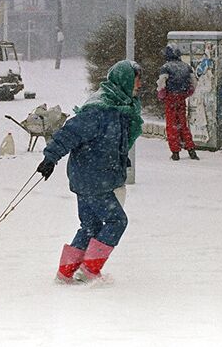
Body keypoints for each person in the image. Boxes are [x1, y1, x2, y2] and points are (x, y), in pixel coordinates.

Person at [37, 60, 143, 284]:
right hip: (94, 178)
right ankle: (89, 270)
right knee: (117, 221)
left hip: (90, 177)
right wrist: (50, 158)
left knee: (91, 225)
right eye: (136, 79)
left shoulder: (119, 106)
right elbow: (70, 132)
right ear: (125, 79)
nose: (140, 84)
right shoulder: (99, 110)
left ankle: (66, 273)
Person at [156, 43, 200, 161]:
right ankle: (191, 149)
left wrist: (162, 95)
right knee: (183, 124)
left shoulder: (166, 67)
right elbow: (194, 82)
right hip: (181, 98)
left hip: (170, 98)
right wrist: (187, 93)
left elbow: (161, 84)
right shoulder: (186, 67)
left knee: (171, 125)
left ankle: (175, 151)